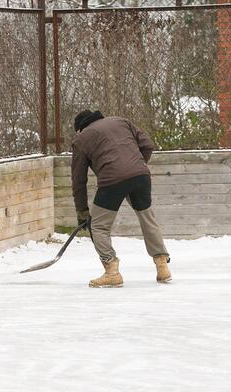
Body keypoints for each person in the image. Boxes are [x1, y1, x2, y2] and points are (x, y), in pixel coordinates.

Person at [71, 109, 171, 288]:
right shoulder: (121, 121)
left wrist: (82, 212)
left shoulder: (82, 138)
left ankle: (112, 272)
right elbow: (147, 145)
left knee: (98, 227)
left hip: (111, 181)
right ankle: (162, 266)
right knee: (147, 219)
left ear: (80, 128)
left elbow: (79, 180)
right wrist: (136, 167)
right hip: (141, 176)